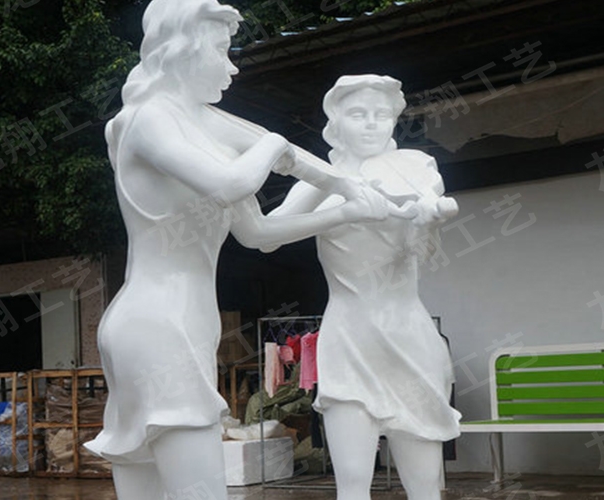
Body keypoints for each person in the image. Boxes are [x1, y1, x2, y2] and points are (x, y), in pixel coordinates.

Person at [83, 3, 412, 500]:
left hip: (180, 320)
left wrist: (348, 203)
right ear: (183, 49)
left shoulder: (202, 127)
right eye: (221, 51)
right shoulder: (147, 119)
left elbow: (258, 232)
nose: (231, 66)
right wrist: (276, 146)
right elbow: (234, 180)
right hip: (157, 323)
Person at [264, 75, 462, 500]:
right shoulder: (318, 182)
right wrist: (337, 202)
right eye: (358, 114)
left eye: (381, 114)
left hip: (408, 336)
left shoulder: (416, 169)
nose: (372, 123)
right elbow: (267, 235)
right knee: (352, 483)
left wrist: (427, 221)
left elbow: (423, 252)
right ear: (336, 123)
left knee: (425, 484)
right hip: (348, 338)